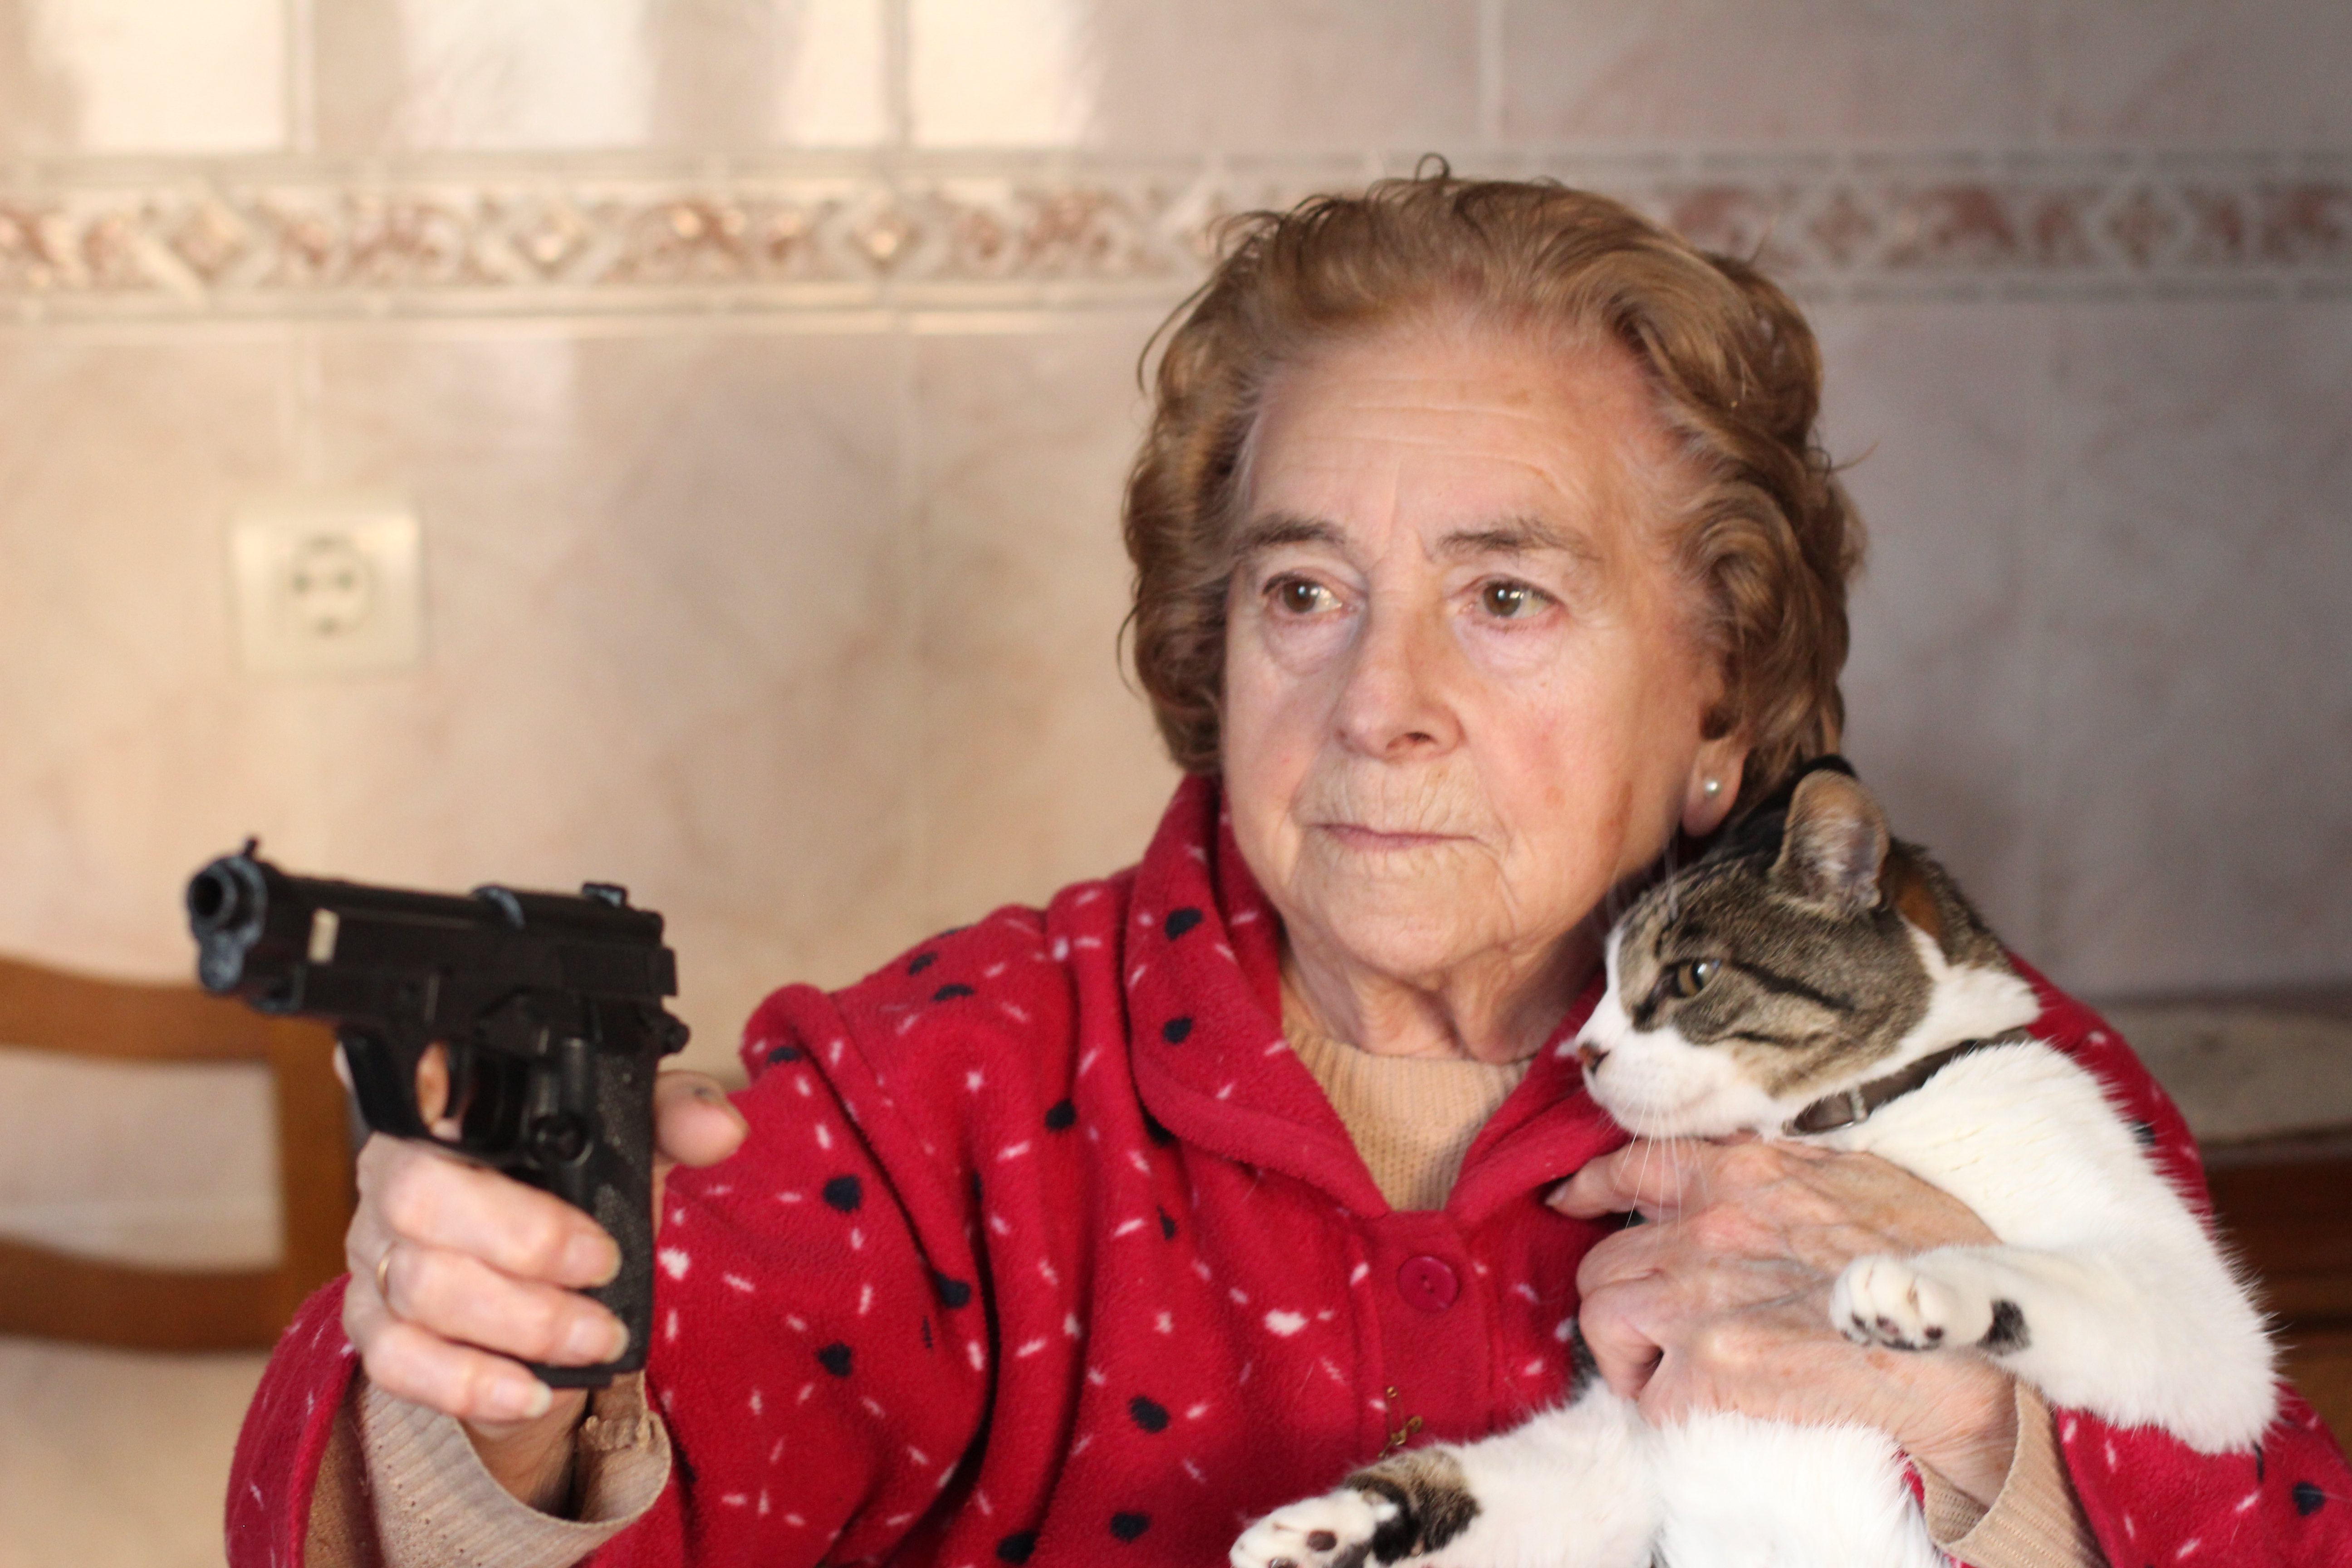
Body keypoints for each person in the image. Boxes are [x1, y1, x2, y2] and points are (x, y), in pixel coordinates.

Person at [227, 174, 2352, 1568]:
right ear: (1210, 644)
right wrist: (482, 1390)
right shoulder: (952, 1081)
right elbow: (522, 1471)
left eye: (1507, 596)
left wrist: (1985, 1448)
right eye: (1306, 591)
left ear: (1724, 708)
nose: (1378, 704)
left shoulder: (1955, 1089)